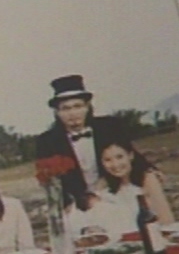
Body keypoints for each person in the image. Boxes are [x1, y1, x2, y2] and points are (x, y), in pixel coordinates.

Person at [35, 75, 155, 211]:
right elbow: (49, 181)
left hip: (114, 190)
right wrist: (79, 202)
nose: (73, 113)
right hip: (76, 203)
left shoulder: (109, 126)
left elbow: (129, 154)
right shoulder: (47, 141)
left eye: (77, 106)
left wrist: (149, 169)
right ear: (57, 112)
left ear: (87, 107)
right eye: (66, 108)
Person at [77, 136, 176, 236]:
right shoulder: (103, 183)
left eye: (120, 157)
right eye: (107, 160)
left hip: (150, 235)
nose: (115, 164)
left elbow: (166, 220)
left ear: (130, 155)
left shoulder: (147, 178)